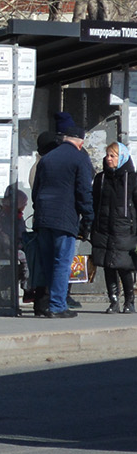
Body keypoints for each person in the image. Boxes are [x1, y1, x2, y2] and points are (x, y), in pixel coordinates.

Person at [30, 121, 94, 318]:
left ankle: (45, 304)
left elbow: (35, 192)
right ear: (80, 143)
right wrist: (88, 217)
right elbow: (84, 191)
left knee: (47, 261)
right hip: (64, 219)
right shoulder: (79, 158)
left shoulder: (46, 159)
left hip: (42, 218)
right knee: (62, 262)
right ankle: (57, 305)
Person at [90, 141, 137, 314]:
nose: (108, 159)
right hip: (104, 227)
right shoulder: (101, 179)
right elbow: (94, 202)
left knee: (124, 265)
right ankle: (113, 300)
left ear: (122, 158)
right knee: (108, 264)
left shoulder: (132, 178)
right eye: (107, 155)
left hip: (124, 229)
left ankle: (129, 300)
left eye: (113, 156)